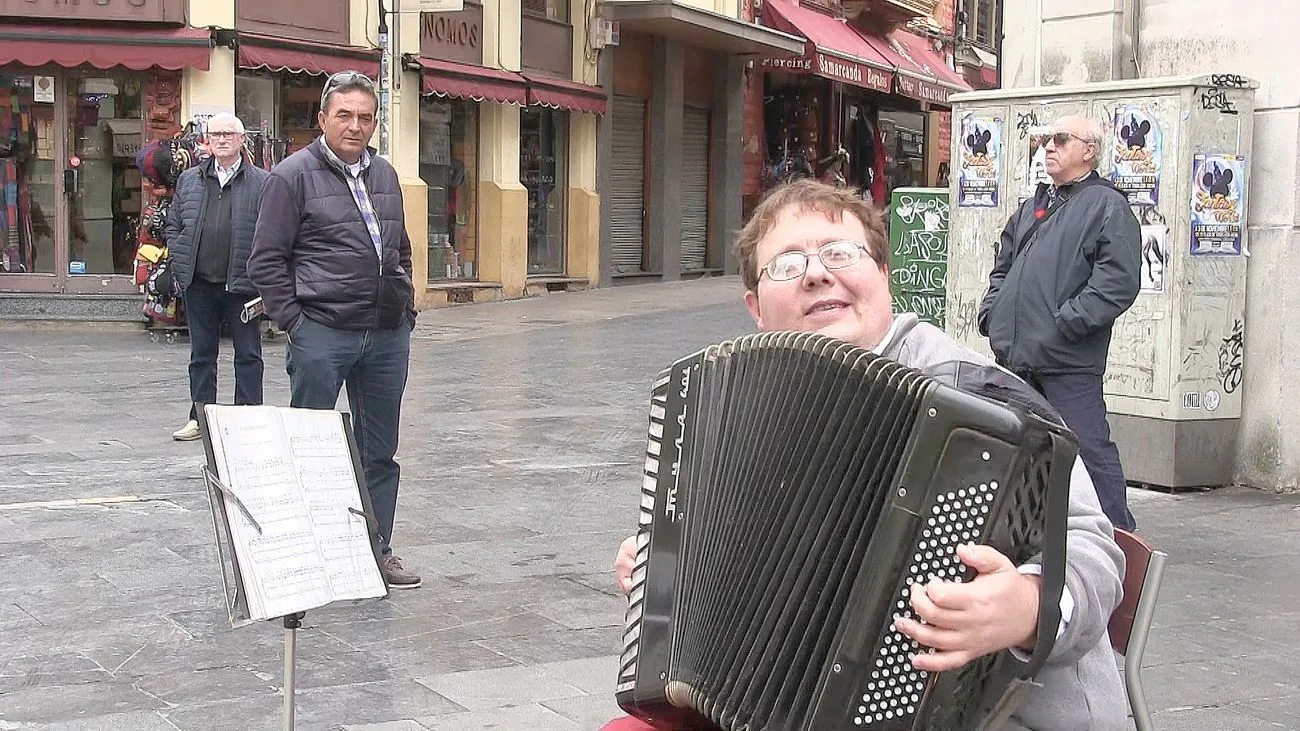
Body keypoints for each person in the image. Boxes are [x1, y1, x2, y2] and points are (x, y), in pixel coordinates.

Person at [609, 180, 1128, 730]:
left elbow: (1094, 547)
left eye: (839, 252)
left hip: (998, 711)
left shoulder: (981, 398)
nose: (816, 273)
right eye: (787, 264)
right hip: (789, 703)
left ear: (883, 275)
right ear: (757, 307)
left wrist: (1026, 604)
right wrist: (660, 570)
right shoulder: (744, 395)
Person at [247, 71, 421, 589]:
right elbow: (266, 260)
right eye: (344, 115)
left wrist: (405, 305)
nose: (355, 126)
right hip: (323, 331)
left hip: (386, 334)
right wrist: (296, 323)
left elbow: (399, 247)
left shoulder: (385, 175)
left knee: (379, 451)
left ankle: (375, 550)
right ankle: (310, 552)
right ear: (322, 119)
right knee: (311, 446)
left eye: (365, 117)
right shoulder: (291, 176)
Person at [978, 114, 1141, 531]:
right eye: (1044, 139)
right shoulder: (1035, 204)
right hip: (1018, 359)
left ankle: (1120, 540)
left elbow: (1118, 282)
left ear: (1088, 151)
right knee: (1018, 453)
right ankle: (1026, 537)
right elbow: (1004, 266)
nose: (1049, 146)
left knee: (1089, 453)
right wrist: (992, 312)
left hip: (1067, 361)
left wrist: (1065, 323)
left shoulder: (1107, 206)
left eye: (1060, 139)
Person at [166, 112, 270, 442]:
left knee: (249, 355)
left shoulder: (262, 183)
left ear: (242, 140)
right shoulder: (189, 180)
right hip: (199, 283)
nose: (222, 139)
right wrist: (179, 254)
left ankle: (248, 417)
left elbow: (270, 231)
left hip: (242, 283)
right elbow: (174, 223)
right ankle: (201, 417)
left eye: (229, 133)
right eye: (215, 134)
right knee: (201, 355)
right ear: (206, 141)